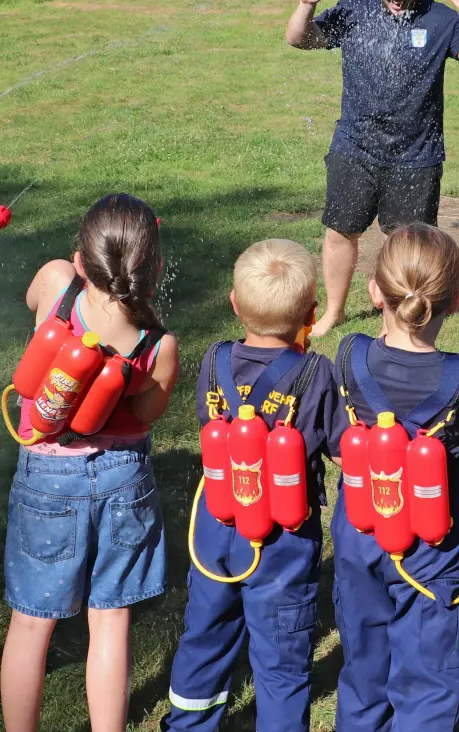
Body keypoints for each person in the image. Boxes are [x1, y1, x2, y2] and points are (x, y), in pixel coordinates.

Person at [0, 194, 180, 732]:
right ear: (157, 269)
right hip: (123, 478)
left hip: (48, 477)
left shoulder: (57, 282)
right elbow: (145, 415)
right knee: (111, 621)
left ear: (81, 261)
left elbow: (31, 297)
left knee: (31, 624)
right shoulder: (158, 344)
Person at [162, 239, 341, 732]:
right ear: (311, 313)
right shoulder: (316, 373)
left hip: (217, 528)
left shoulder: (215, 359)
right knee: (282, 661)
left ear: (234, 304)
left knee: (204, 637)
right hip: (284, 540)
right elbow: (338, 447)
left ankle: (188, 726)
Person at [284, 0, 459, 337]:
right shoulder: (355, 12)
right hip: (355, 146)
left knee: (408, 244)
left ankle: (402, 319)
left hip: (416, 152)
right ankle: (334, 313)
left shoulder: (439, 19)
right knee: (341, 232)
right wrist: (306, 6)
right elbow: (300, 39)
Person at [330, 223, 459, 731]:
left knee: (363, 668)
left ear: (373, 291)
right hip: (432, 547)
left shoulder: (349, 354)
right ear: (458, 301)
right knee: (428, 681)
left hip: (361, 535)